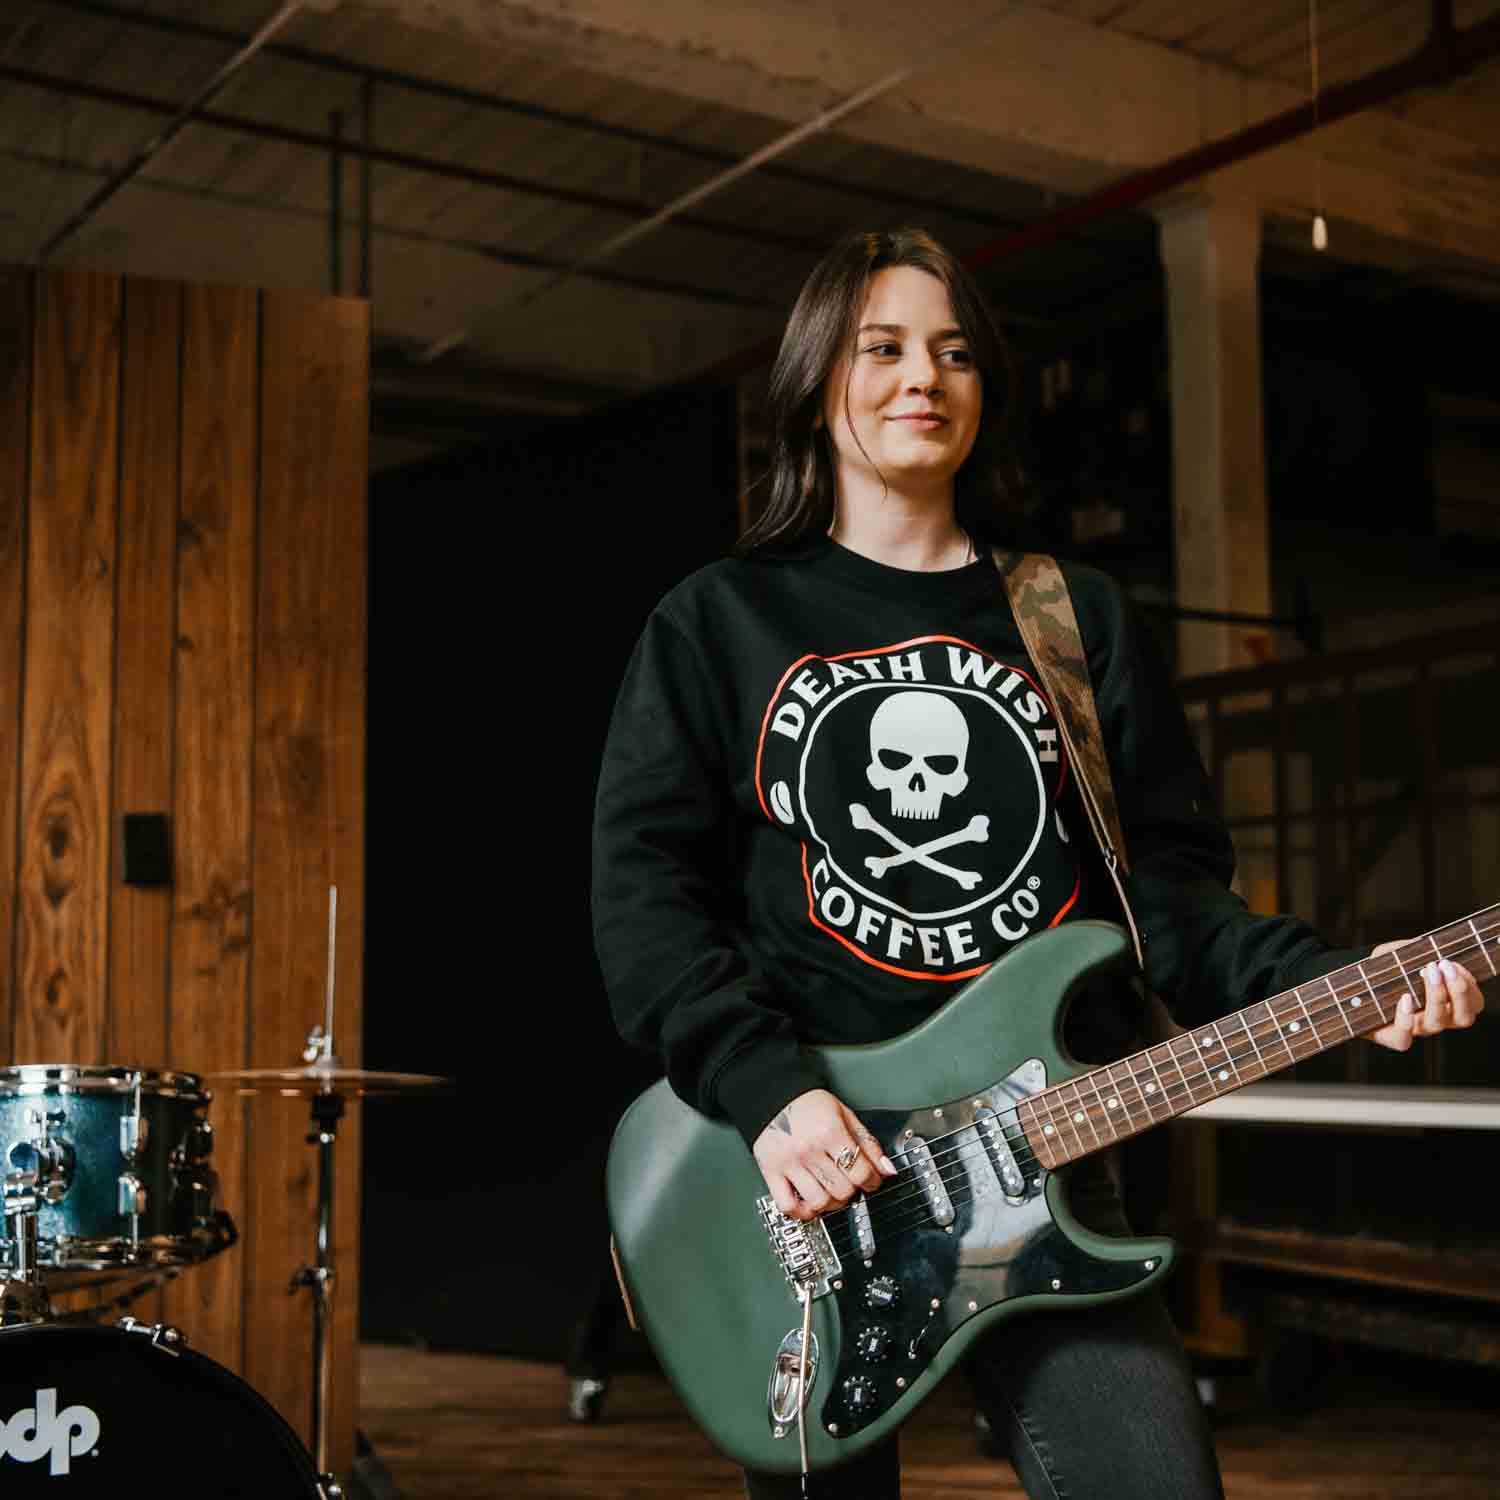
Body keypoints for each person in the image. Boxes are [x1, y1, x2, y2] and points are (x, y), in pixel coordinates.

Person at [589, 227, 1484, 1499]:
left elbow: (1170, 903)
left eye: (954, 354)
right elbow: (644, 899)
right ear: (813, 381)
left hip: (1054, 1160)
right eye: (883, 348)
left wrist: (1359, 976)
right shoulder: (720, 622)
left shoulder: (1071, 620)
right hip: (809, 1183)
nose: (923, 379)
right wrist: (766, 1088)